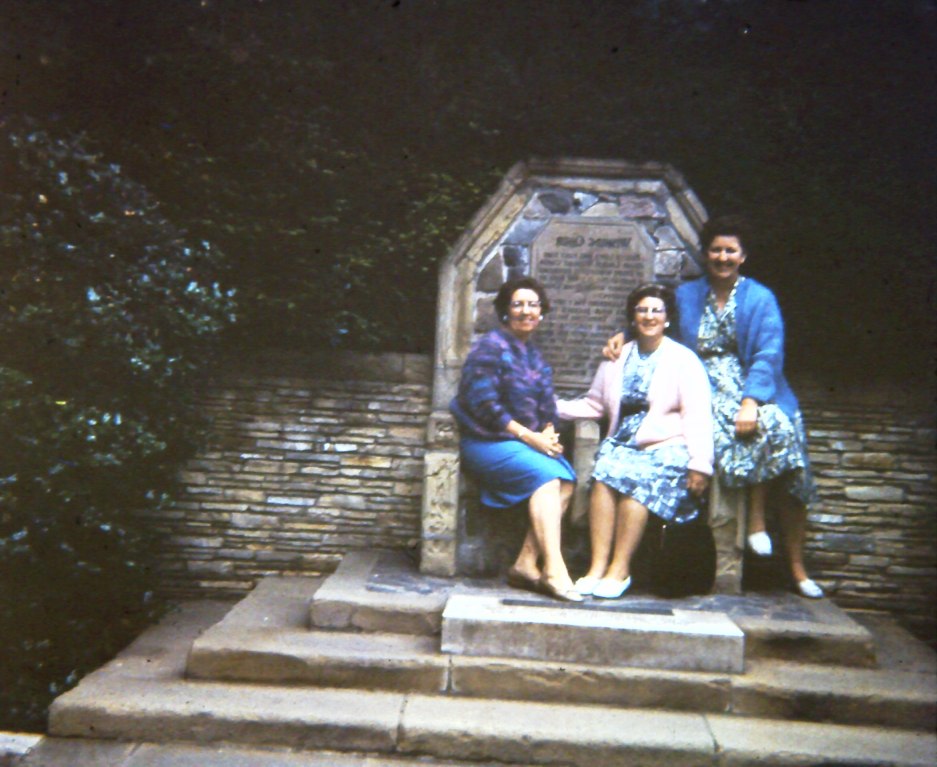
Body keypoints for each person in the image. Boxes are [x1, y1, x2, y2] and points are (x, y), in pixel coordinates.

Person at [604, 216, 824, 598]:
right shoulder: (687, 295)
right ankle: (755, 524)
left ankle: (793, 562)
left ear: (743, 256)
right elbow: (656, 320)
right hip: (699, 383)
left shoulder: (760, 298)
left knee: (782, 429)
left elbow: (768, 354)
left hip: (750, 384)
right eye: (716, 250)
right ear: (706, 254)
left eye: (730, 250)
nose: (723, 257)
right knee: (720, 435)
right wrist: (621, 337)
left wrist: (751, 401)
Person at [556, 283, 714, 599]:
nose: (649, 316)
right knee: (603, 478)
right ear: (633, 317)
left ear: (668, 318)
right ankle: (597, 567)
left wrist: (700, 464)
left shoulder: (684, 360)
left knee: (637, 483)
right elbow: (595, 405)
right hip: (623, 442)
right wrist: (549, 406)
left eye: (656, 310)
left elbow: (697, 415)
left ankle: (619, 570)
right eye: (642, 310)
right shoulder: (616, 357)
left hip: (667, 445)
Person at [450, 277, 582, 602]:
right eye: (518, 304)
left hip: (523, 443)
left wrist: (548, 432)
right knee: (549, 479)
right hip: (487, 443)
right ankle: (554, 569)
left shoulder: (533, 355)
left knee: (566, 482)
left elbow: (547, 405)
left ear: (541, 312)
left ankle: (525, 564)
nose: (526, 311)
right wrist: (530, 437)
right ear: (505, 311)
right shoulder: (490, 347)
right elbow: (483, 404)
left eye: (533, 305)